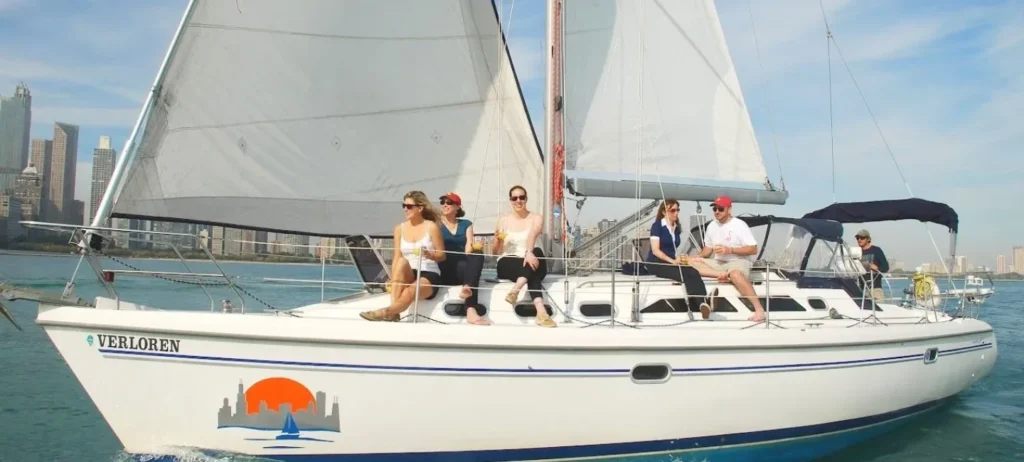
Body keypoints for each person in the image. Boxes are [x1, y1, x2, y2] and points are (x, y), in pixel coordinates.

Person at [359, 191, 446, 322]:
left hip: (428, 273)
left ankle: (386, 311)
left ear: (420, 208)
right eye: (404, 205)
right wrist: (393, 280)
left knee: (410, 291)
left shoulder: (431, 226)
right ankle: (394, 312)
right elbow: (397, 257)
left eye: (409, 206)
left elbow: (442, 255)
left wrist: (430, 255)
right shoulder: (399, 228)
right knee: (400, 261)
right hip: (408, 272)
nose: (405, 209)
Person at [687, 196, 767, 322]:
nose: (717, 212)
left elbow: (753, 249)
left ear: (729, 210)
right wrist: (698, 257)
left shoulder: (740, 225)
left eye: (720, 209)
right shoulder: (712, 226)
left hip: (739, 261)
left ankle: (759, 310)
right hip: (719, 263)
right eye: (715, 209)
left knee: (735, 274)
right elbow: (708, 249)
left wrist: (730, 250)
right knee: (689, 263)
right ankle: (722, 275)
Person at [492, 185, 556, 327]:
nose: (518, 201)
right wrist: (497, 240)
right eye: (514, 198)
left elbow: (533, 234)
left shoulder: (536, 218)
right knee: (531, 270)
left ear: (526, 199)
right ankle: (541, 312)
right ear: (511, 200)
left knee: (536, 254)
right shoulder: (502, 221)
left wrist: (528, 252)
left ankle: (516, 288)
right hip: (509, 262)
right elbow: (495, 252)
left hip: (531, 259)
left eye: (522, 197)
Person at [644, 199, 718, 318]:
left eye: (677, 210)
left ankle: (702, 304)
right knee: (688, 272)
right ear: (664, 212)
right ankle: (703, 302)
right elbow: (655, 250)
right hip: (656, 263)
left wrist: (678, 259)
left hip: (670, 262)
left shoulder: (676, 228)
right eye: (672, 210)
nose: (676, 213)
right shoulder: (657, 226)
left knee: (693, 271)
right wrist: (673, 261)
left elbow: (671, 250)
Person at [437, 191, 489, 325]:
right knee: (466, 267)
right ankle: (470, 305)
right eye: (442, 202)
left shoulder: (466, 224)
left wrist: (476, 247)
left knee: (477, 254)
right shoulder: (435, 224)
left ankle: (468, 296)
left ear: (458, 206)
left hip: (462, 269)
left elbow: (468, 247)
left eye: (449, 202)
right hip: (443, 267)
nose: (445, 205)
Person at [855, 229, 889, 302]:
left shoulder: (876, 250)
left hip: (875, 289)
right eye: (857, 238)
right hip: (861, 289)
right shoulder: (856, 252)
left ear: (868, 239)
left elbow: (885, 267)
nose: (859, 239)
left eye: (862, 237)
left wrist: (876, 268)